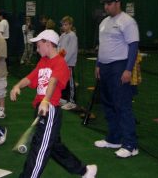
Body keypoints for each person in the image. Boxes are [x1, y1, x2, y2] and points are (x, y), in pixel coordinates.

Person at [10, 30, 97, 178]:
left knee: (40, 148)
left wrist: (45, 100)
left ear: (48, 44)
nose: (37, 49)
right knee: (54, 147)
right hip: (40, 108)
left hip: (49, 109)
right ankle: (85, 171)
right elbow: (31, 77)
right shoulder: (43, 61)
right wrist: (17, 86)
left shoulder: (60, 63)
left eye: (39, 46)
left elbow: (53, 81)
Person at [94, 0, 139, 158]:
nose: (106, 6)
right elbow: (102, 45)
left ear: (117, 3)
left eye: (109, 3)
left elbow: (133, 47)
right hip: (104, 68)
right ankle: (114, 139)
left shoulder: (127, 22)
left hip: (119, 67)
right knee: (108, 104)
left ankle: (131, 145)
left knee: (122, 105)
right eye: (105, 4)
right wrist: (98, 64)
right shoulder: (104, 22)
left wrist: (128, 69)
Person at [58, 16, 78, 110]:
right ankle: (64, 99)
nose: (64, 26)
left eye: (66, 25)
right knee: (63, 82)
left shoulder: (72, 36)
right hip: (62, 63)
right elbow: (60, 49)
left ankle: (72, 102)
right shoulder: (62, 36)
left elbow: (71, 51)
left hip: (69, 64)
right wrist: (59, 60)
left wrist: (64, 61)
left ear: (70, 25)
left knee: (70, 82)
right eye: (63, 25)